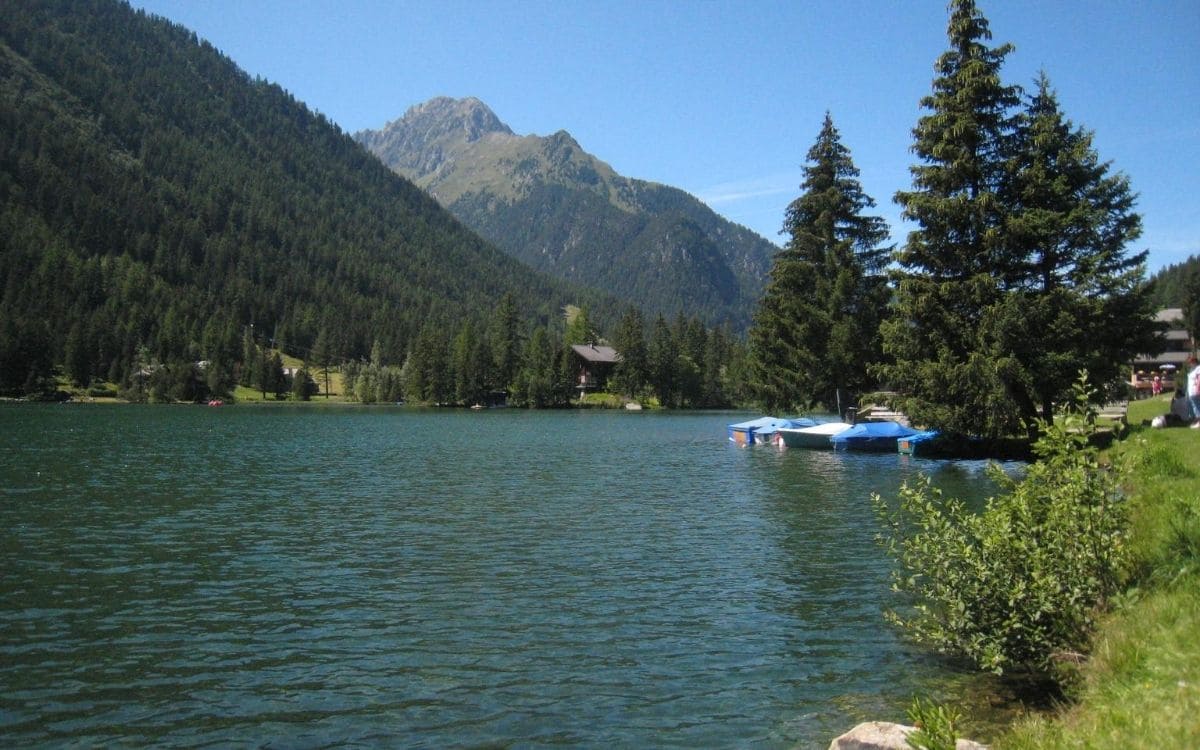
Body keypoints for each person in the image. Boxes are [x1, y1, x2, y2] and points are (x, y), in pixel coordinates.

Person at [1188, 356, 1200, 428]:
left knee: (1197, 407)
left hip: (1195, 391)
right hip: (1191, 391)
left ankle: (1199, 422)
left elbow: (1199, 379)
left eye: (1191, 362)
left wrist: (1198, 389)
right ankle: (1196, 421)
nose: (1189, 364)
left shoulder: (1198, 368)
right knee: (1194, 406)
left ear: (1194, 362)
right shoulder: (1192, 369)